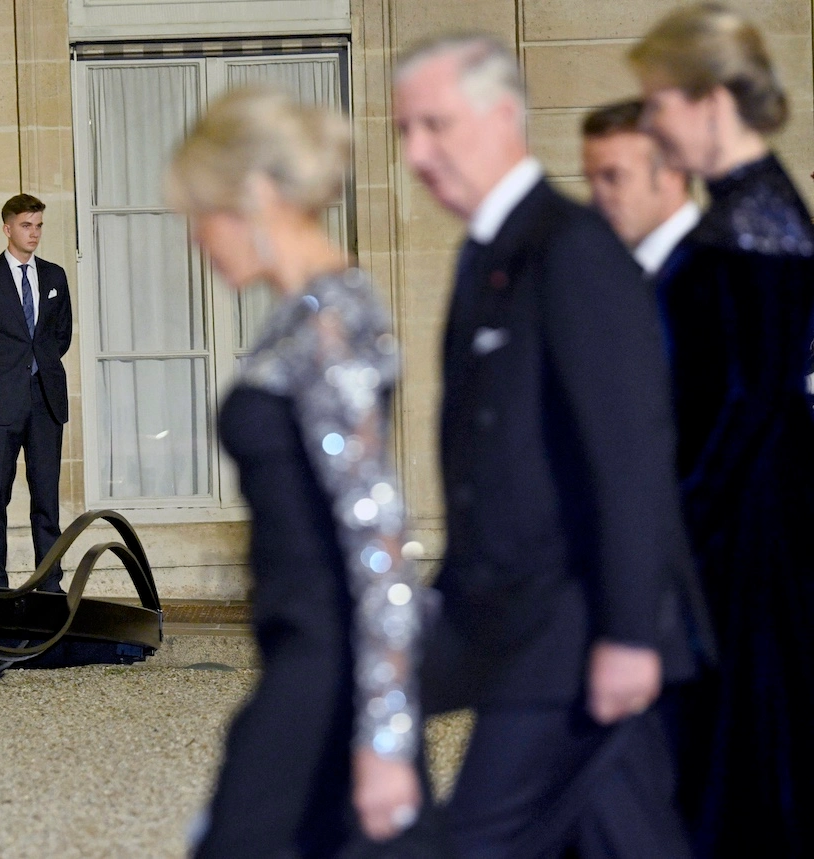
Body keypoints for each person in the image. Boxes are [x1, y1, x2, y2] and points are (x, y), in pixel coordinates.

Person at [392, 34, 708, 858]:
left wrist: (632, 634)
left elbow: (631, 453)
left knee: (475, 841)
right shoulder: (489, 251)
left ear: (502, 118)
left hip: (574, 633)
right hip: (518, 621)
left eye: (435, 125)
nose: (417, 154)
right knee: (628, 836)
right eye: (405, 132)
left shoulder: (573, 250)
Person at [167, 88, 445, 858]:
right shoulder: (305, 314)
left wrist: (386, 732)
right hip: (305, 655)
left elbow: (379, 537)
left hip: (328, 669)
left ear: (257, 195)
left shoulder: (331, 323)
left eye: (201, 213)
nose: (195, 239)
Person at [630, 6, 814, 856]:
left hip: (739, 529)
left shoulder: (755, 223)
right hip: (740, 514)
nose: (654, 125)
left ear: (711, 99)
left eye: (660, 103)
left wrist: (673, 527)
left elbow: (743, 404)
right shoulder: (749, 209)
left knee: (737, 756)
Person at [0, 194, 72, 592]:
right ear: (8, 228)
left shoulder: (55, 277)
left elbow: (61, 337)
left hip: (45, 403)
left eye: (38, 225)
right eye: (26, 225)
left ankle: (49, 581)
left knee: (46, 498)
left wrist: (38, 371)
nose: (34, 233)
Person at [581, 99, 700, 277]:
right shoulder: (605, 268)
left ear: (672, 172)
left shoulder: (724, 270)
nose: (596, 198)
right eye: (590, 180)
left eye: (613, 177)